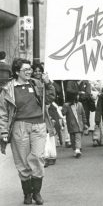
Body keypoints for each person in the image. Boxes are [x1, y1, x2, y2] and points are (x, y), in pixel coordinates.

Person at [0, 58, 55, 205]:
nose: (29, 72)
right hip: (19, 126)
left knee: (37, 157)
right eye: (25, 70)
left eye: (30, 69)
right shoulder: (8, 89)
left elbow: (50, 98)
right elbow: (3, 112)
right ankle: (27, 194)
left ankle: (37, 192)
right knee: (22, 162)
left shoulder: (37, 84)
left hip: (38, 125)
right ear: (17, 72)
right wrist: (4, 132)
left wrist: (48, 83)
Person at [62, 93, 88, 158]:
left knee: (78, 137)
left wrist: (85, 123)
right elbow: (63, 113)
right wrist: (64, 106)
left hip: (79, 124)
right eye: (77, 95)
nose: (78, 96)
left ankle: (78, 149)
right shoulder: (67, 105)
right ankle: (75, 149)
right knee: (72, 139)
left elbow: (83, 114)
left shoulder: (80, 104)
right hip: (71, 125)